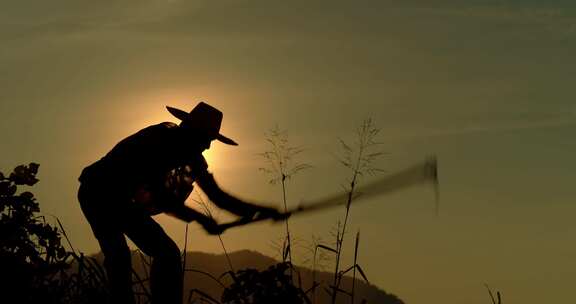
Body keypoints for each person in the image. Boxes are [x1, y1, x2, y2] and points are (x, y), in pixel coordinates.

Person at [78, 102, 284, 304]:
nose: (208, 145)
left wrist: (260, 210)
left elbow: (218, 197)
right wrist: (203, 219)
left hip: (122, 201)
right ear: (191, 131)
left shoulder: (192, 158)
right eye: (206, 138)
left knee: (163, 254)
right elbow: (161, 196)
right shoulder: (159, 140)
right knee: (121, 257)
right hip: (98, 192)